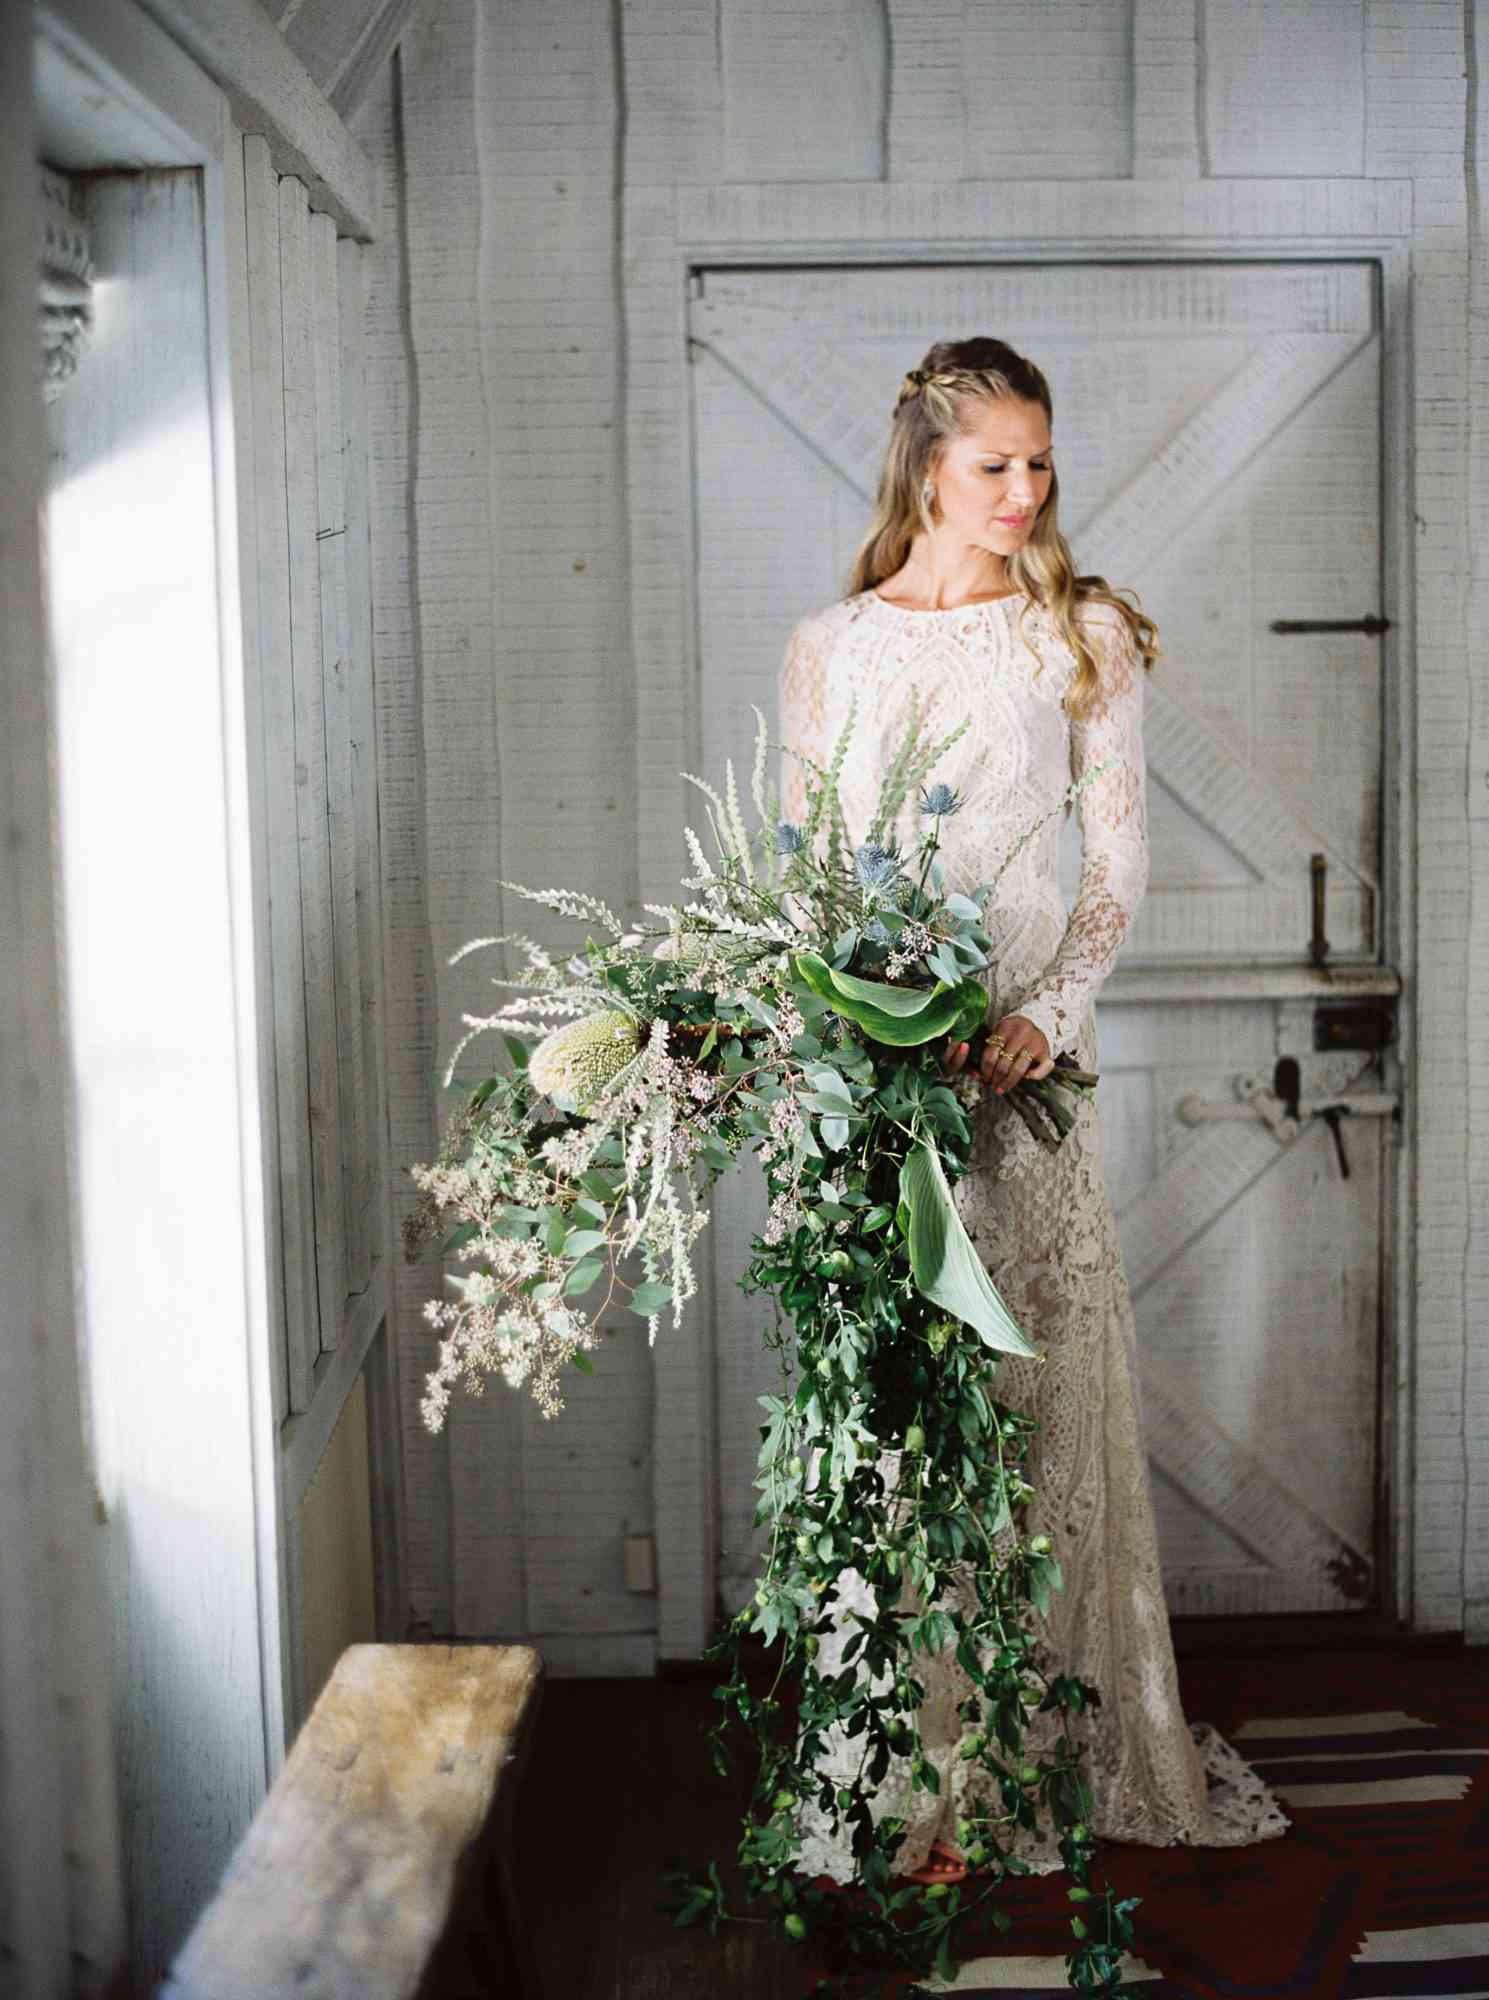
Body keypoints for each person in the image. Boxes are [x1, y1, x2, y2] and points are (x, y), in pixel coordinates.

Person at [777, 336, 1290, 1888]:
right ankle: (892, 1783)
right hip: (869, 1104)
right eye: (993, 463)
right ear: (925, 468)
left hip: (1019, 1087)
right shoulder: (829, 646)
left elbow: (1115, 875)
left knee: (1028, 1424)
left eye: (1040, 463)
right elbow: (801, 877)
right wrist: (845, 1038)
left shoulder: (1080, 635)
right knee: (883, 1439)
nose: (1022, 491)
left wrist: (1038, 1020)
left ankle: (1024, 1758)